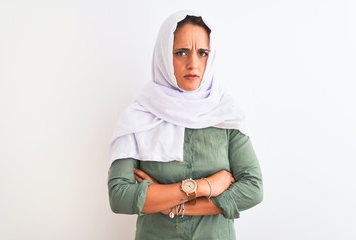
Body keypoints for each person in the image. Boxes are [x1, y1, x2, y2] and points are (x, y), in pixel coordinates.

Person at [107, 9, 263, 240]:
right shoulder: (137, 116)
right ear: (163, 55)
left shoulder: (226, 113)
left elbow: (253, 189)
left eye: (202, 53)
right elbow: (119, 196)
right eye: (181, 52)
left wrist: (172, 205)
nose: (193, 64)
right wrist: (203, 186)